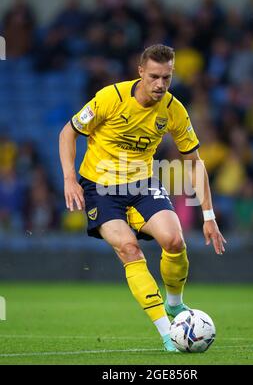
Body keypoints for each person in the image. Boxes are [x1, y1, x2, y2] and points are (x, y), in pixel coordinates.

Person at [59, 44, 226, 352]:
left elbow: (194, 162)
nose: (160, 84)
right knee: (129, 249)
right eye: (154, 77)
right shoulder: (111, 98)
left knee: (174, 241)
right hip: (101, 189)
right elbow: (68, 132)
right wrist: (70, 178)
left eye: (167, 77)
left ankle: (175, 305)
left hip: (142, 185)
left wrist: (209, 216)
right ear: (140, 72)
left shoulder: (174, 110)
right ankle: (167, 333)